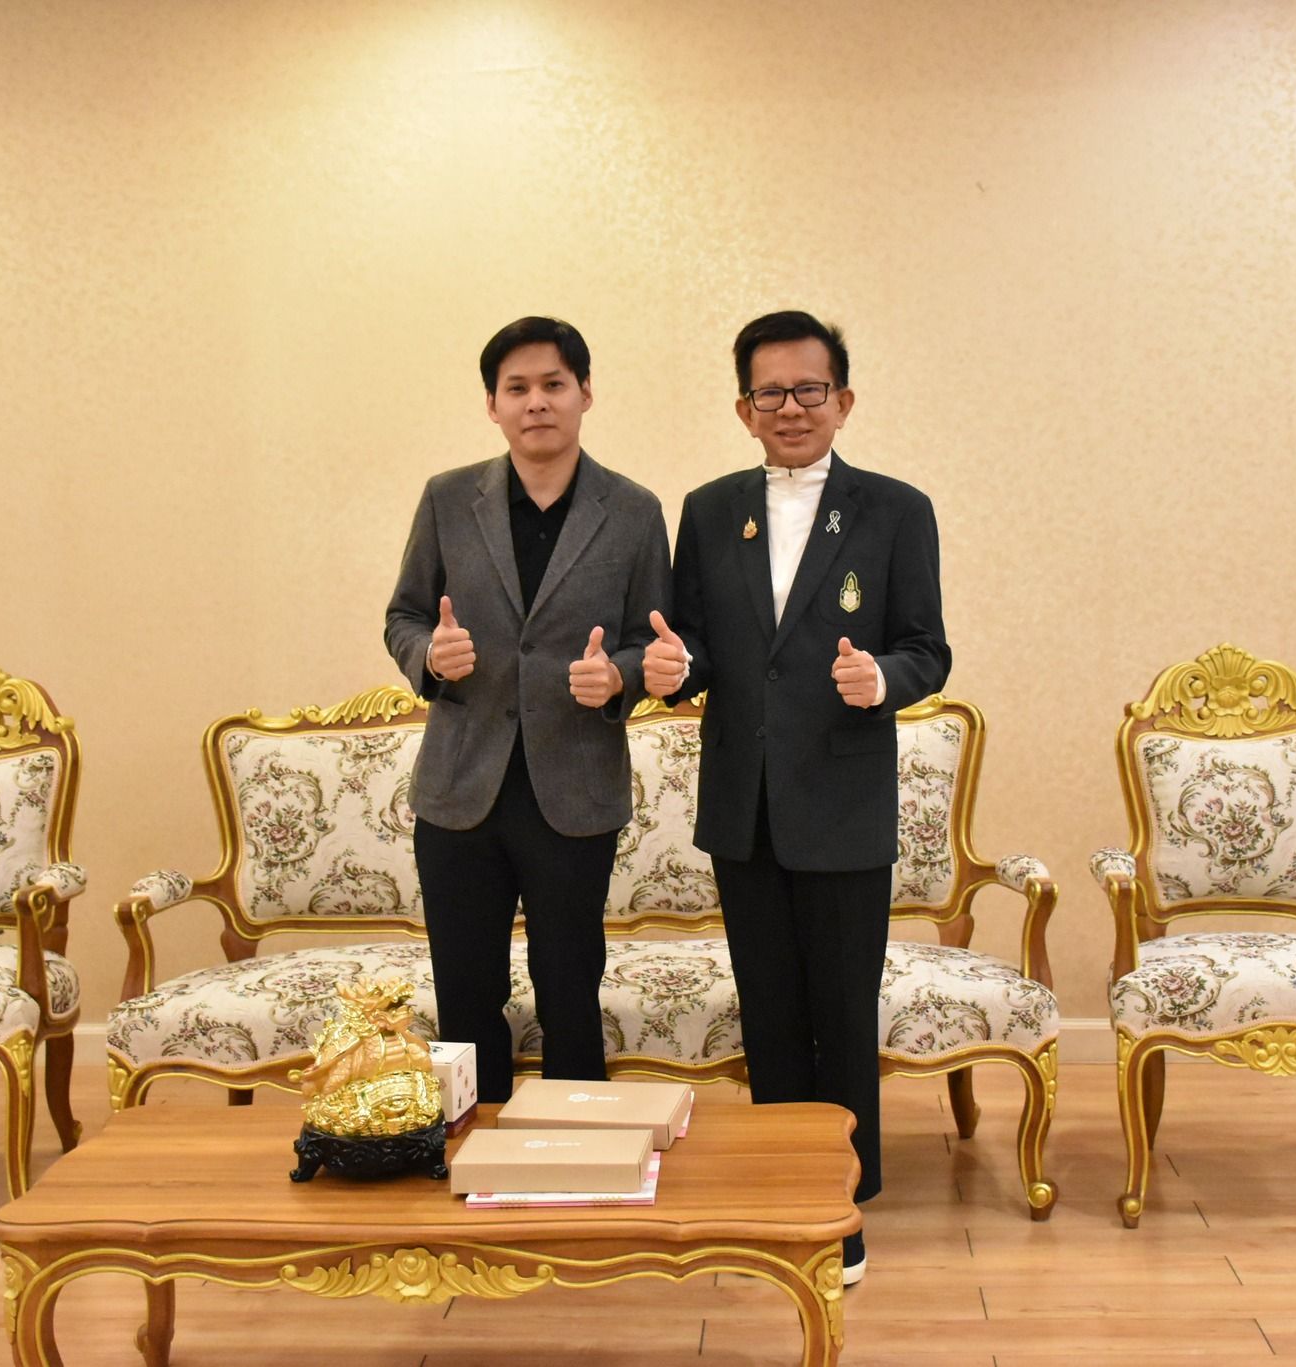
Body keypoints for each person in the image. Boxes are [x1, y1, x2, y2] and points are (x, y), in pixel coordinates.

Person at [643, 310, 950, 1284]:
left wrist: (883, 679)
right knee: (769, 1011)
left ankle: (839, 1212)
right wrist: (672, 669)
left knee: (841, 1014)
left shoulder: (895, 509)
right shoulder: (707, 510)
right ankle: (778, 1197)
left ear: (842, 399)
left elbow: (926, 647)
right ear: (743, 408)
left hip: (843, 804)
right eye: (768, 392)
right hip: (744, 804)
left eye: (808, 389)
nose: (789, 407)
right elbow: (693, 646)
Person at [386, 316, 669, 1103]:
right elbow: (405, 616)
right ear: (493, 404)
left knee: (570, 984)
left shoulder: (634, 510)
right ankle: (471, 1148)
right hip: (460, 788)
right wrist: (429, 656)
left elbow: (657, 638)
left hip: (574, 787)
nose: (536, 401)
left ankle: (580, 1152)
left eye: (553, 384)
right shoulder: (448, 499)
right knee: (466, 988)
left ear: (585, 393)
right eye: (517, 388)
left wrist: (619, 676)